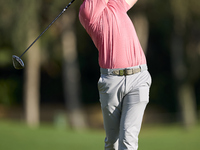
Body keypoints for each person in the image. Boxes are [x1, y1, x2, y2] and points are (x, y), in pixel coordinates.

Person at [79, 0, 152, 149]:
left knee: (128, 138)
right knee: (113, 141)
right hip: (112, 82)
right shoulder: (86, 10)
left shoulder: (115, 4)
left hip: (139, 77)